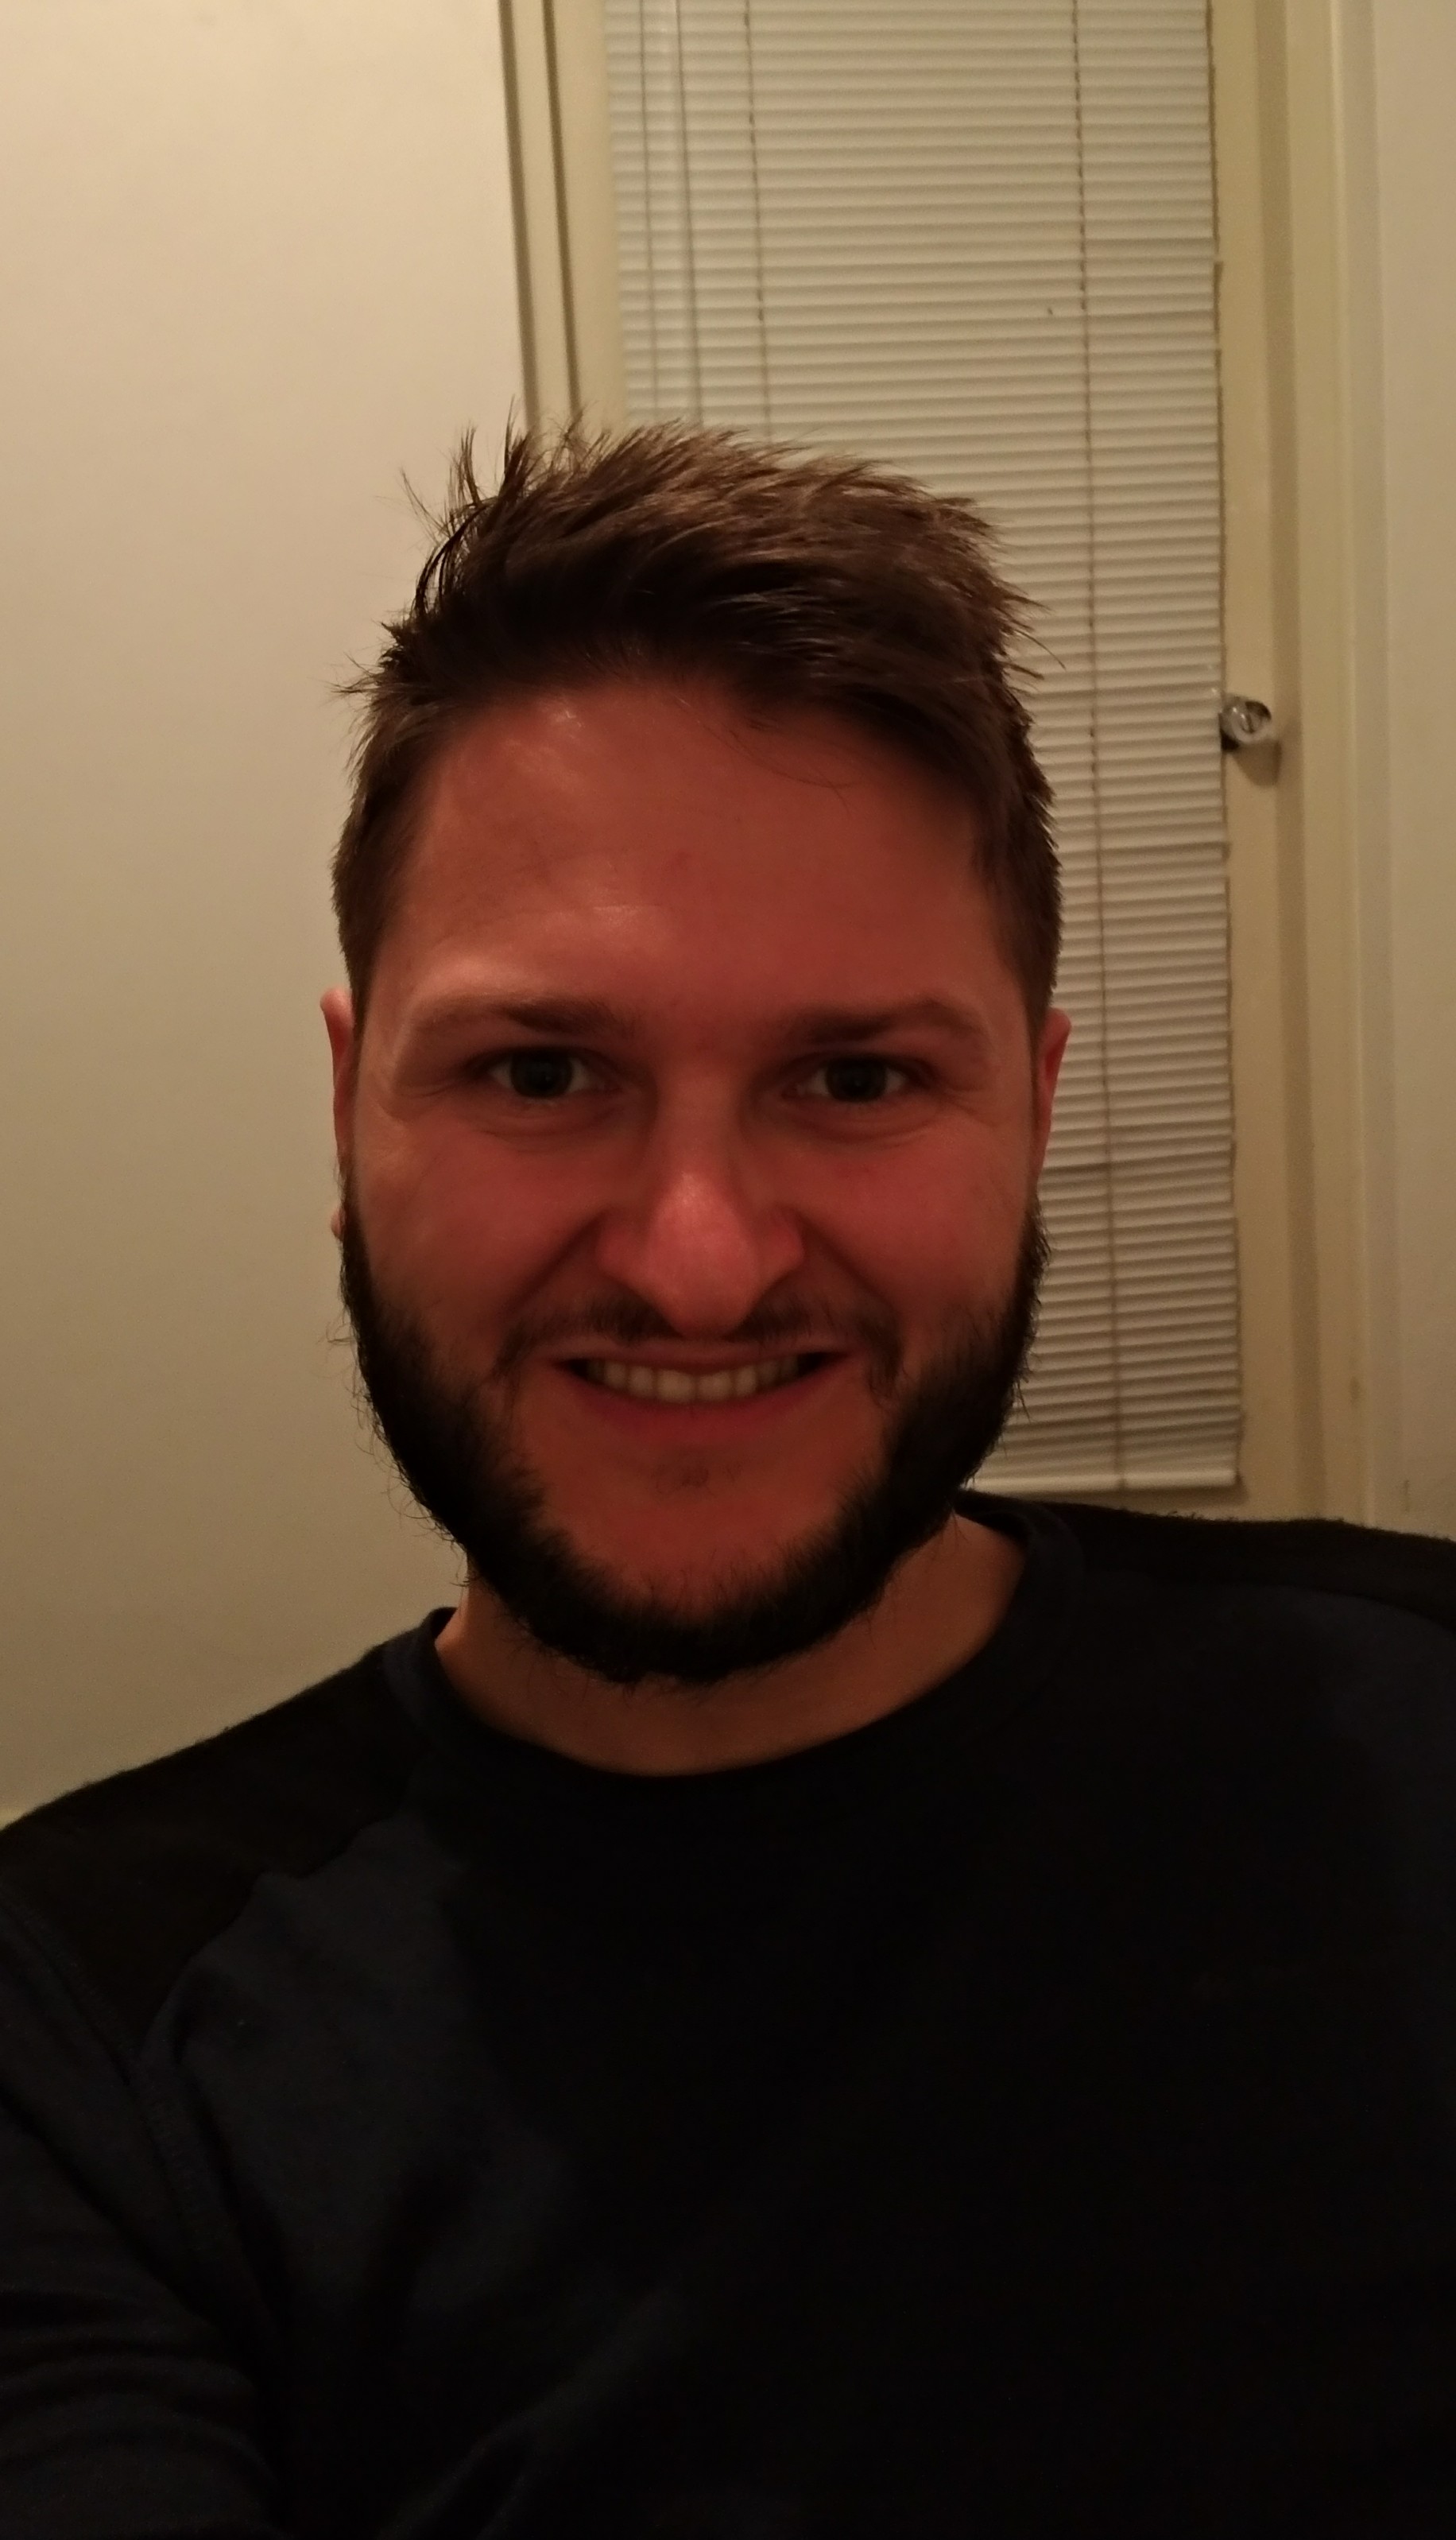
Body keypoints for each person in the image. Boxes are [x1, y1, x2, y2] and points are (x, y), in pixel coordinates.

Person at [2, 425, 1454, 2540]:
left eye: (856, 1076)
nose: (700, 1262)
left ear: (1034, 1113)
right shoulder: (81, 2037)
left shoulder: (1417, 1741)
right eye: (543, 1072)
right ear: (349, 1110)